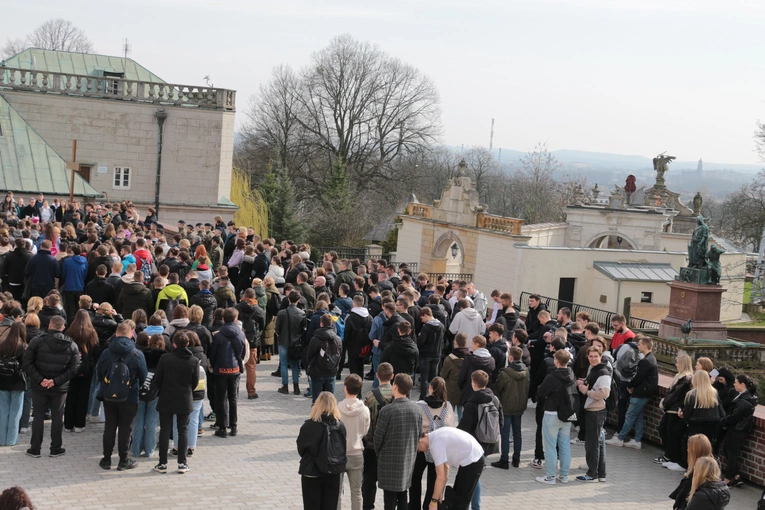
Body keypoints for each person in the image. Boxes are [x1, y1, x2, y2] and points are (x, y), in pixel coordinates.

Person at [22, 316, 79, 458]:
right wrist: (55, 381)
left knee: (38, 416)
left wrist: (41, 380)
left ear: (49, 326)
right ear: (63, 327)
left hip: (39, 386)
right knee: (58, 416)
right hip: (59, 388)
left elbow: (27, 362)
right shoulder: (71, 345)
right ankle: (56, 448)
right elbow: (74, 368)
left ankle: (35, 449)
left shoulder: (37, 342)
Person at [96, 320, 147, 471]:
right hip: (130, 397)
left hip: (108, 396)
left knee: (110, 427)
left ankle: (106, 459)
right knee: (126, 428)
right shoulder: (137, 354)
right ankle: (123, 460)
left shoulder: (106, 352)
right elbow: (143, 376)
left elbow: (99, 373)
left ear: (116, 334)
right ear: (131, 334)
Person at [150, 330, 200, 474]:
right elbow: (195, 382)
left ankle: (162, 463)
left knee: (165, 430)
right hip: (184, 399)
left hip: (166, 398)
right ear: (188, 344)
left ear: (174, 344)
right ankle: (182, 463)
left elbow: (157, 380)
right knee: (183, 430)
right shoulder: (194, 360)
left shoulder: (165, 359)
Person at [374, 373, 422, 509]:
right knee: (403, 494)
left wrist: (380, 454)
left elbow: (378, 438)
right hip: (407, 459)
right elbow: (418, 435)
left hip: (388, 461)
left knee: (389, 498)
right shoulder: (417, 410)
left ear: (394, 387)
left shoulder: (387, 411)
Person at [410, 377, 457, 510]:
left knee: (415, 477)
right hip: (440, 448)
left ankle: (414, 505)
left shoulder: (420, 405)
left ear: (430, 387)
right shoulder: (447, 406)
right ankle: (429, 506)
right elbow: (451, 426)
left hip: (423, 445)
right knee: (433, 480)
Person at [457, 370, 501, 509]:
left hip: (475, 444)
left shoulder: (472, 403)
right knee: (477, 475)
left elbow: (465, 427)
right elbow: (501, 421)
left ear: (473, 383)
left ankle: (475, 506)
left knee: (474, 478)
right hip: (490, 442)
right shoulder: (495, 399)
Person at [297, 391, 347, 510]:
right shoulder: (340, 426)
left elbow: (301, 449)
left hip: (312, 472)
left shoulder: (308, 426)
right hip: (333, 471)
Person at [607, 335, 658, 450]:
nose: (638, 346)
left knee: (630, 415)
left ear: (645, 346)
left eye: (639, 344)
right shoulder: (651, 359)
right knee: (638, 416)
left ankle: (620, 438)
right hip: (645, 392)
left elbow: (638, 377)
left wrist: (630, 386)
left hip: (641, 393)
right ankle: (637, 440)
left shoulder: (645, 361)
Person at [417, 427, 485, 510]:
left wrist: (433, 502)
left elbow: (440, 477)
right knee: (455, 499)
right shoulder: (435, 437)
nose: (419, 451)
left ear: (419, 441)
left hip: (473, 460)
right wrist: (439, 492)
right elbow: (446, 468)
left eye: (417, 449)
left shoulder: (435, 444)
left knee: (461, 504)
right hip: (469, 460)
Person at [536, 349, 577, 485]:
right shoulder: (572, 375)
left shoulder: (552, 377)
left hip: (552, 414)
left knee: (550, 446)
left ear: (556, 361)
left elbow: (541, 391)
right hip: (567, 415)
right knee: (564, 445)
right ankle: (564, 475)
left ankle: (550, 476)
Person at [209, 308, 246, 438]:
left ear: (223, 319)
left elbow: (213, 354)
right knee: (233, 398)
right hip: (235, 369)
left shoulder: (218, 335)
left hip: (220, 370)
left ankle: (223, 428)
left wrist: (213, 366)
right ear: (235, 319)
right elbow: (243, 352)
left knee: (221, 399)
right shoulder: (241, 334)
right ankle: (234, 426)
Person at [575, 346, 611, 482]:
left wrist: (586, 391)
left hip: (596, 411)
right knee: (597, 443)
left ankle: (592, 474)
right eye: (591, 356)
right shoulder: (595, 370)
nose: (593, 359)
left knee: (592, 443)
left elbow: (605, 393)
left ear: (601, 357)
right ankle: (600, 473)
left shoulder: (603, 372)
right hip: (593, 410)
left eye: (596, 356)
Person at [362, 362, 395, 510]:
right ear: (392, 376)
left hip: (371, 446)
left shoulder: (370, 396)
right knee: (391, 484)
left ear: (376, 375)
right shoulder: (398, 395)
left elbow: (366, 422)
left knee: (369, 481)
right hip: (392, 447)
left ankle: (368, 506)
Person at [491, 346, 529, 469]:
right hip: (520, 407)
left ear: (510, 357)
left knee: (505, 434)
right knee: (517, 433)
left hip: (506, 406)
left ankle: (504, 460)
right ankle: (516, 459)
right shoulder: (526, 371)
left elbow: (498, 389)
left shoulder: (504, 373)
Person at [63, 310, 100, 432]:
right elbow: (96, 352)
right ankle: (79, 424)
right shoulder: (92, 333)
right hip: (87, 368)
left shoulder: (69, 331)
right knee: (83, 396)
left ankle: (68, 424)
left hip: (71, 367)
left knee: (71, 395)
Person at [656, 354, 694, 471]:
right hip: (671, 407)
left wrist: (665, 402)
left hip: (675, 408)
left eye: (677, 362)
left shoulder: (686, 378)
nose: (676, 364)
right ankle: (669, 455)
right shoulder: (679, 375)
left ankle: (672, 457)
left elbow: (676, 394)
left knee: (671, 433)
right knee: (665, 430)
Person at [338, 374, 371, 510]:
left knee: (337, 492)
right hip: (357, 452)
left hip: (339, 454)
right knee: (357, 492)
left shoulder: (337, 408)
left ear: (345, 388)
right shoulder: (364, 410)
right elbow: (365, 431)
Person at [131, 333, 165, 458]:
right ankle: (149, 450)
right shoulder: (164, 356)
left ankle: (135, 450)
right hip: (156, 392)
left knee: (138, 421)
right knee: (152, 422)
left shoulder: (142, 354)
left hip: (140, 390)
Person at [721, 374, 758, 487]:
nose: (734, 384)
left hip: (738, 429)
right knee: (727, 450)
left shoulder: (744, 400)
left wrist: (722, 421)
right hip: (736, 428)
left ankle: (727, 479)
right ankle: (736, 476)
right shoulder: (741, 396)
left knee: (731, 453)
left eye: (736, 382)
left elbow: (735, 416)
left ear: (742, 384)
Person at [679, 370, 726, 454]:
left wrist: (682, 415)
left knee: (694, 449)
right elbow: (720, 409)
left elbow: (687, 414)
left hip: (695, 424)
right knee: (707, 448)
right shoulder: (714, 393)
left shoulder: (691, 394)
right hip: (711, 425)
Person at [669, 434, 714, 510]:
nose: (688, 450)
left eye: (689, 448)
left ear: (696, 451)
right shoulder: (709, 467)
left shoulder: (699, 472)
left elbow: (687, 494)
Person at [0, 323, 27, 446]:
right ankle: (11, 440)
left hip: (2, 381)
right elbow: (25, 366)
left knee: (3, 411)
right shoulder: (23, 347)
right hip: (18, 383)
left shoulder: (2, 345)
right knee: (15, 413)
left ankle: (2, 439)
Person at [235, 288, 265, 400]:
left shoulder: (237, 307)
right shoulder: (258, 310)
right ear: (254, 297)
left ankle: (235, 391)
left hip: (238, 339)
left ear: (244, 296)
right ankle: (251, 392)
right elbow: (262, 325)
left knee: (235, 366)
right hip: (252, 341)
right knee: (251, 367)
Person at [275, 291, 307, 395]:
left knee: (284, 363)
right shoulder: (302, 313)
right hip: (296, 343)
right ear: (298, 300)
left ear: (288, 299)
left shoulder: (281, 313)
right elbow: (303, 329)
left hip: (283, 341)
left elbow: (277, 328)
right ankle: (296, 387)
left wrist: (280, 335)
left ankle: (285, 386)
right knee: (295, 365)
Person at [306, 313, 343, 402]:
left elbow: (309, 355)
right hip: (331, 371)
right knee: (330, 399)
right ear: (331, 324)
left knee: (316, 399)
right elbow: (340, 354)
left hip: (317, 371)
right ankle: (330, 414)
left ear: (321, 324)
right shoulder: (337, 339)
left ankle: (316, 415)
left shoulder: (315, 339)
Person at [457, 335, 495, 406]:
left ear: (477, 344)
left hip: (469, 395)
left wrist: (465, 389)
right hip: (485, 396)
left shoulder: (468, 359)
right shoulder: (491, 360)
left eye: (472, 344)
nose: (471, 346)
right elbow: (492, 378)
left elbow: (461, 378)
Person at [440, 333, 469, 421]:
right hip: (463, 390)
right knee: (461, 412)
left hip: (451, 390)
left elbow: (443, 375)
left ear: (455, 343)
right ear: (466, 343)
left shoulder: (449, 359)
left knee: (449, 413)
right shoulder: (469, 358)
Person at [416, 307, 444, 397]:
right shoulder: (441, 326)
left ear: (426, 315)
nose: (422, 321)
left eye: (422, 318)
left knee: (424, 378)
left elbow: (421, 342)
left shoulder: (426, 328)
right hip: (437, 354)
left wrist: (419, 336)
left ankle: (423, 397)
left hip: (425, 355)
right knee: (433, 377)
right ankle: (434, 395)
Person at [344, 295, 372, 379]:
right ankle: (360, 386)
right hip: (365, 346)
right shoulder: (369, 317)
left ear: (354, 303)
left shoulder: (351, 318)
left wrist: (345, 345)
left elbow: (347, 333)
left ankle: (354, 388)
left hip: (353, 346)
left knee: (353, 368)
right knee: (361, 367)